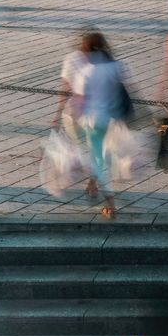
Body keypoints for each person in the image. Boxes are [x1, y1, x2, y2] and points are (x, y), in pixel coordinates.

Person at [56, 31, 129, 219]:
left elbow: (80, 104)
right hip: (114, 120)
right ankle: (92, 183)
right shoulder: (116, 66)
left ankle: (110, 204)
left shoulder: (86, 72)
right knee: (103, 157)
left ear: (86, 51)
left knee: (98, 161)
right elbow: (128, 89)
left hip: (95, 122)